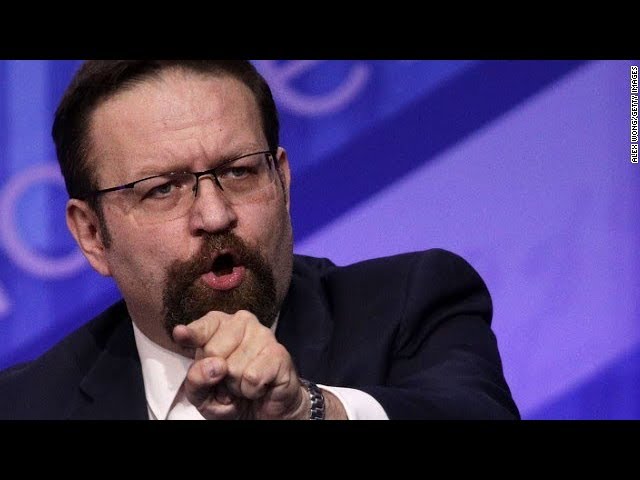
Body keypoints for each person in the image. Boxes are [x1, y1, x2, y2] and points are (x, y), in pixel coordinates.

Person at [0, 60, 519, 420]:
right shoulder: (24, 405)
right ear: (92, 234)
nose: (215, 214)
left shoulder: (410, 303)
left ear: (282, 182)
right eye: (162, 189)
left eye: (240, 171)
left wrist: (311, 411)